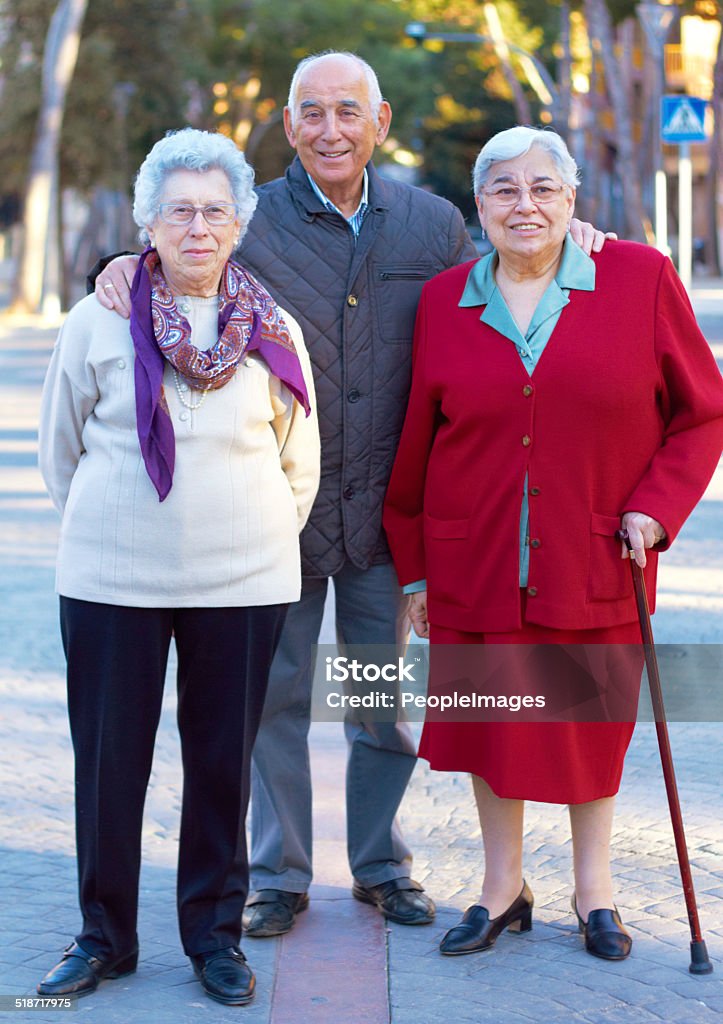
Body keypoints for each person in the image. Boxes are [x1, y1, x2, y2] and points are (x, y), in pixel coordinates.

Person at [93, 52, 611, 937]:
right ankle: (277, 876)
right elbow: (180, 253)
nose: (330, 129)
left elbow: (512, 269)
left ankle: (379, 865)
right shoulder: (247, 217)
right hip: (271, 514)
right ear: (289, 125)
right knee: (273, 703)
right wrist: (120, 262)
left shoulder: (432, 222)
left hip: (388, 515)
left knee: (378, 702)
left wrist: (584, 239)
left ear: (377, 125)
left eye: (348, 112)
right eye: (311, 112)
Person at [383, 126, 723, 961]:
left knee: (586, 726)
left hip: (598, 554)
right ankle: (501, 890)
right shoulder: (443, 301)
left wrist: (655, 508)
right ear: (479, 207)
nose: (522, 204)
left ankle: (594, 892)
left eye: (542, 188)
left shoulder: (637, 279)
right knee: (492, 730)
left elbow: (702, 412)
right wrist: (417, 571)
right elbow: (419, 442)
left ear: (572, 201)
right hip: (477, 556)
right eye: (503, 189)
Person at [36, 128, 319, 1005]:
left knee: (223, 764)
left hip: (242, 583)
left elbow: (296, 463)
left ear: (240, 225)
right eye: (179, 210)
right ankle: (103, 938)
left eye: (215, 210)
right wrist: (116, 527)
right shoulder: (96, 320)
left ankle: (213, 938)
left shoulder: (275, 329)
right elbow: (62, 450)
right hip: (112, 580)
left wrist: (252, 537)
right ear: (147, 224)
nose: (198, 226)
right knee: (108, 763)